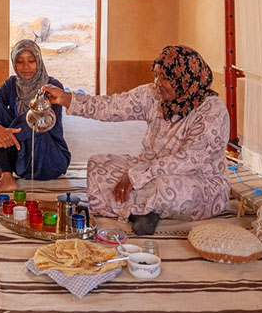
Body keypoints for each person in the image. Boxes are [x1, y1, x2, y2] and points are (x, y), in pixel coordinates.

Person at [42, 44, 229, 235]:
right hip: (149, 168)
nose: (157, 82)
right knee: (98, 166)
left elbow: (189, 160)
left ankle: (139, 209)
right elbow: (111, 106)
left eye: (165, 77)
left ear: (184, 77)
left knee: (164, 187)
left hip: (198, 180)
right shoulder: (153, 95)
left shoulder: (212, 111)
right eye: (156, 75)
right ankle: (142, 212)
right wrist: (66, 98)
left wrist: (136, 176)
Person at [0, 39, 72, 194]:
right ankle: (6, 174)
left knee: (33, 117)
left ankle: (1, 165)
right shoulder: (12, 84)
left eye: (31, 61)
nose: (26, 67)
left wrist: (0, 141)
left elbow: (42, 123)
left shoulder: (51, 87)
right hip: (21, 154)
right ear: (14, 63)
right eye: (20, 62)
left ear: (39, 61)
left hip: (47, 157)